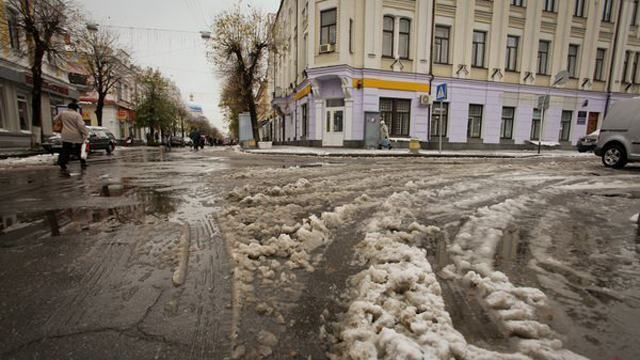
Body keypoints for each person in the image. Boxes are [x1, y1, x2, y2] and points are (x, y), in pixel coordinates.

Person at [55, 102, 89, 171]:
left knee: (65, 149)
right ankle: (83, 162)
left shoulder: (63, 113)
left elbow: (55, 119)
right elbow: (81, 125)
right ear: (75, 108)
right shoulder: (77, 115)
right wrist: (86, 134)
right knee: (79, 149)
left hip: (65, 134)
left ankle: (62, 163)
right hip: (76, 135)